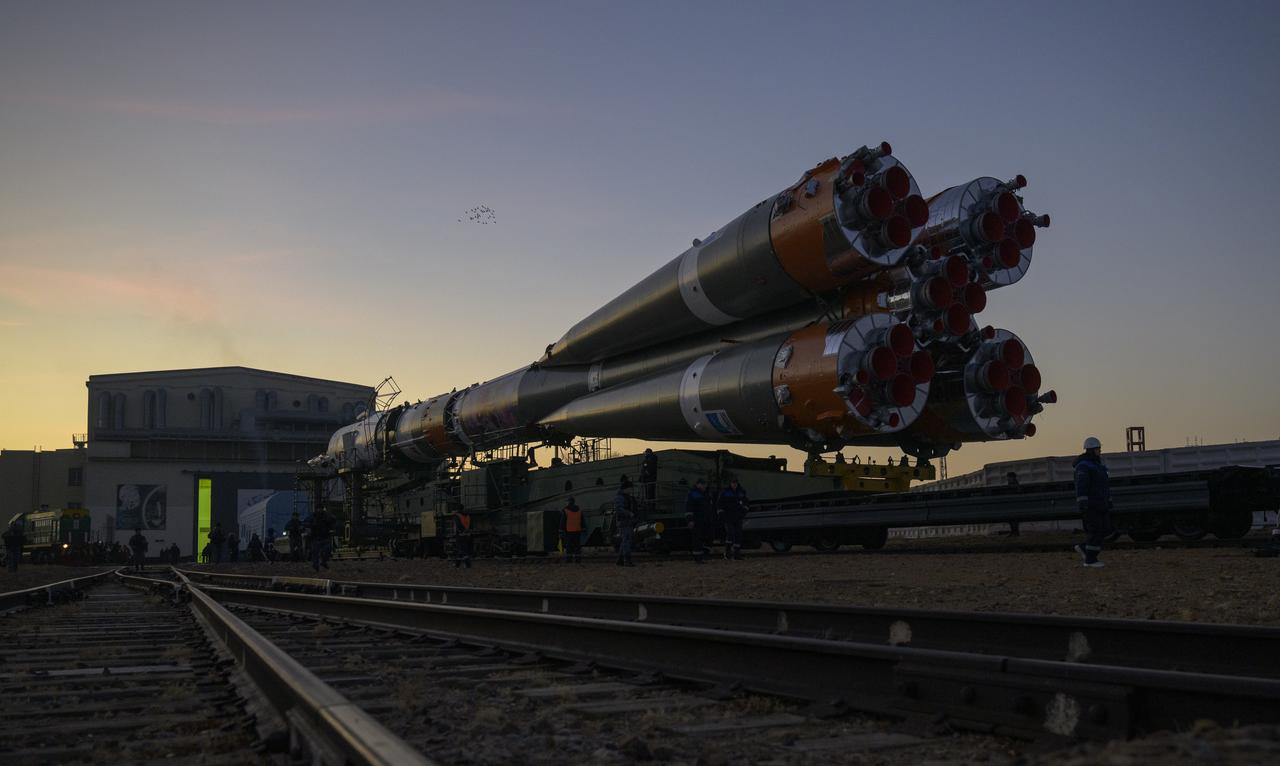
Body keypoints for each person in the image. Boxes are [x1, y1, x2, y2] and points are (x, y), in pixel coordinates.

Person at [1074, 437, 1112, 568]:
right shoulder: (1084, 466)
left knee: (1106, 529)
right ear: (1090, 450)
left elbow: (1104, 485)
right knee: (1096, 530)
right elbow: (1082, 485)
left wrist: (1108, 500)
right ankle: (1090, 560)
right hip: (1092, 504)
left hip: (1101, 502)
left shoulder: (1098, 465)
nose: (1100, 451)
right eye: (1097, 449)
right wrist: (1083, 502)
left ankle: (1084, 548)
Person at [718, 478, 749, 561]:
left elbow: (746, 502)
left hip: (738, 517)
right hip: (728, 517)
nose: (734, 484)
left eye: (735, 483)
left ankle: (737, 554)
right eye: (733, 483)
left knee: (738, 535)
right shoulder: (725, 492)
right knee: (730, 533)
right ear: (730, 484)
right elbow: (720, 504)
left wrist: (744, 511)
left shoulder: (741, 492)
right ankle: (727, 553)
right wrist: (722, 514)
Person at [685, 478, 713, 563]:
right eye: (702, 484)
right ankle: (698, 558)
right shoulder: (693, 494)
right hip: (697, 520)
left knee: (709, 537)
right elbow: (689, 508)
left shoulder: (707, 494)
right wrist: (690, 520)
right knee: (697, 539)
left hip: (706, 520)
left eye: (705, 484)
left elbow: (710, 507)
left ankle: (704, 555)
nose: (704, 486)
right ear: (697, 485)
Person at [614, 478, 636, 567]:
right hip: (624, 521)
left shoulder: (624, 497)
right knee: (626, 540)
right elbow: (619, 509)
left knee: (625, 540)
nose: (631, 490)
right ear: (626, 488)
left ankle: (620, 560)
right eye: (630, 488)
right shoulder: (621, 497)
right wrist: (629, 513)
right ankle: (627, 560)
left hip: (626, 521)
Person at [560, 497, 584, 564]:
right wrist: (583, 528)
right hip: (577, 530)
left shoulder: (565, 510)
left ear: (568, 502)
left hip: (569, 531)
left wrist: (561, 530)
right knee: (577, 546)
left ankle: (569, 560)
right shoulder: (579, 510)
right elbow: (582, 520)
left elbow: (563, 521)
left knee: (569, 546)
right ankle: (578, 560)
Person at [639, 448, 658, 516]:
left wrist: (644, 475)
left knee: (650, 494)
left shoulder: (650, 459)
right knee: (649, 494)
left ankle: (650, 506)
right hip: (648, 479)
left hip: (650, 479)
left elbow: (649, 469)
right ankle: (650, 505)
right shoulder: (649, 459)